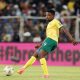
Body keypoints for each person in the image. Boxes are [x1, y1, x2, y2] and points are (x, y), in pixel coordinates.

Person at [17, 9, 77, 78]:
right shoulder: (49, 25)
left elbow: (64, 29)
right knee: (36, 54)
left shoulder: (55, 21)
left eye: (49, 15)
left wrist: (71, 38)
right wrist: (40, 44)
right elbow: (48, 37)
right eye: (46, 15)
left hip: (51, 40)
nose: (46, 16)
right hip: (49, 40)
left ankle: (46, 74)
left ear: (53, 16)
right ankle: (23, 68)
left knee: (41, 55)